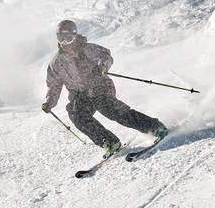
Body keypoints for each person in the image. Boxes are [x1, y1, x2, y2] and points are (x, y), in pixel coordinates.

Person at [41, 20, 167, 157]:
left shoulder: (88, 49)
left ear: (75, 36)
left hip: (99, 85)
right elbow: (54, 85)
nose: (65, 43)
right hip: (80, 94)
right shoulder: (56, 63)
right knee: (77, 115)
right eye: (61, 38)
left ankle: (155, 127)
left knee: (109, 108)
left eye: (68, 38)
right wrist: (49, 102)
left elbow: (106, 55)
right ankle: (109, 142)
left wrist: (101, 67)